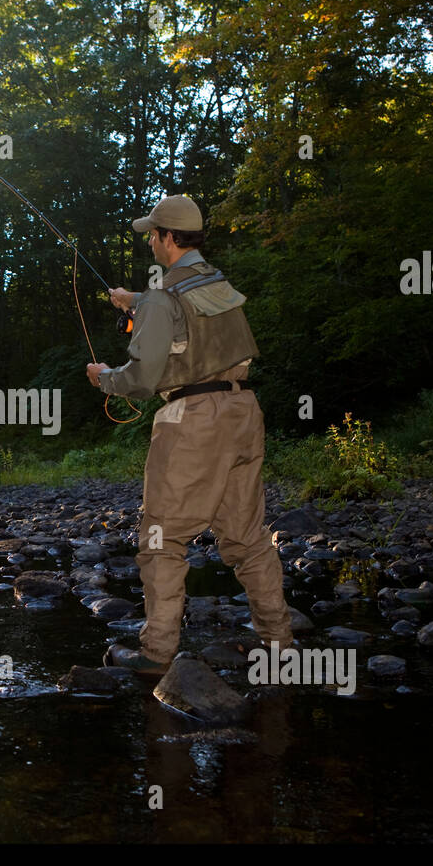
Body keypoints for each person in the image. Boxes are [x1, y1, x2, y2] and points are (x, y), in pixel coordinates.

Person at [85, 194, 293, 675]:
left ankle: (157, 653)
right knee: (247, 539)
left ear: (168, 237)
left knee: (162, 537)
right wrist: (135, 301)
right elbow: (191, 312)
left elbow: (141, 377)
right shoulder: (217, 282)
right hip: (244, 412)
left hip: (193, 420)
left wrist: (103, 377)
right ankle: (280, 643)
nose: (150, 243)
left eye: (153, 235)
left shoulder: (164, 297)